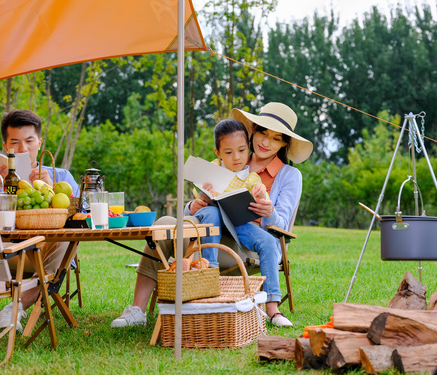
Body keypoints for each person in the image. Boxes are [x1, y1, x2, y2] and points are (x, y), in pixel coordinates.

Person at [111, 102, 312, 328]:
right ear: (253, 130)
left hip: (247, 244)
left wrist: (270, 212)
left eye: (276, 138)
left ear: (285, 142)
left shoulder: (289, 175)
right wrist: (193, 206)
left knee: (184, 227)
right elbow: (204, 199)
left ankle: (269, 308)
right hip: (211, 230)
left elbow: (282, 224)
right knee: (165, 225)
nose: (266, 142)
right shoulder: (234, 152)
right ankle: (137, 310)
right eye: (263, 132)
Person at [0, 109, 80, 332]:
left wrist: (49, 189)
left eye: (29, 141)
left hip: (42, 254)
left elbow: (78, 222)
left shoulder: (62, 177)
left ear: (39, 143)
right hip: (0, 254)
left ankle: (15, 307)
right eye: (15, 142)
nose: (22, 149)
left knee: (65, 240)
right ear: (5, 146)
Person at [192, 119, 269, 268]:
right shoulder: (212, 168)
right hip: (211, 221)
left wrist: (260, 194)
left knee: (265, 239)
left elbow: (264, 200)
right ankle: (210, 266)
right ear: (218, 153)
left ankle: (272, 292)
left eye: (241, 151)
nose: (236, 157)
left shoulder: (251, 178)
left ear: (248, 148)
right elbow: (197, 199)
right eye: (228, 152)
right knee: (212, 212)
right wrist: (205, 196)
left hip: (238, 227)